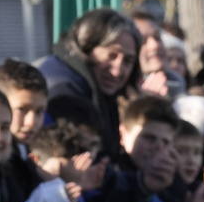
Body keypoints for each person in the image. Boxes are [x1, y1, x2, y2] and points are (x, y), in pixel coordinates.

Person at [38, 9, 142, 156]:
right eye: (111, 55)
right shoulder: (65, 91)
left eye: (128, 61)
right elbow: (90, 163)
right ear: (86, 47)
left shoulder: (89, 85)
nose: (117, 71)